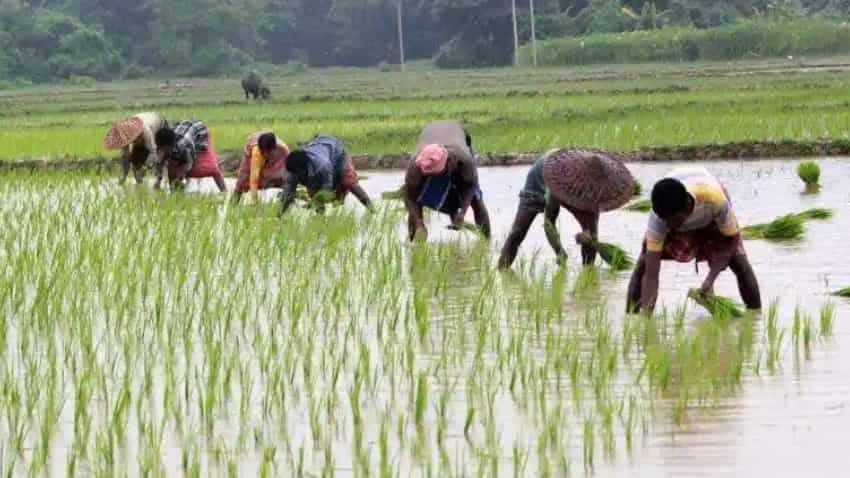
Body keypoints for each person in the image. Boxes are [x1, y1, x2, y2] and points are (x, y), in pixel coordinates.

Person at [626, 167, 761, 314]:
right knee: (644, 263)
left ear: (686, 207)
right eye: (665, 221)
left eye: (673, 220)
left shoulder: (714, 199)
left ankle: (755, 317)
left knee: (739, 261)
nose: (669, 225)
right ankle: (631, 316)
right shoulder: (658, 220)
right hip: (683, 201)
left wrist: (710, 279)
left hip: (710, 214)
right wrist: (646, 322)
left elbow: (731, 240)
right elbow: (651, 275)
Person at [498, 149, 636, 268]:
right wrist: (559, 251)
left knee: (590, 234)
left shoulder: (596, 192)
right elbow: (549, 222)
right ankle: (502, 271)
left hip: (573, 186)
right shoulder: (558, 181)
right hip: (538, 182)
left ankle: (587, 273)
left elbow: (592, 235)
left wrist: (588, 238)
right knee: (517, 233)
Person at [404, 121, 491, 241]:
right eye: (430, 175)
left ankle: (487, 242)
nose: (435, 178)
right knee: (415, 208)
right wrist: (419, 223)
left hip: (454, 133)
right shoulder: (416, 166)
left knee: (476, 200)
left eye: (438, 173)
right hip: (431, 133)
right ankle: (413, 241)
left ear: (449, 162)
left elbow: (470, 186)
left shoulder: (464, 160)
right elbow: (410, 197)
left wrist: (462, 212)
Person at [279, 134, 372, 214]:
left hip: (338, 154)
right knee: (313, 191)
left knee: (349, 182)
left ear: (304, 169)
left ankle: (373, 211)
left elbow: (326, 188)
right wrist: (279, 215)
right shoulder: (292, 171)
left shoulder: (322, 165)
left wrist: (313, 201)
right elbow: (288, 194)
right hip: (320, 151)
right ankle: (321, 222)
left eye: (298, 175)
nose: (295, 177)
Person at [153, 119, 227, 192]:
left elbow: (189, 162)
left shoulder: (183, 146)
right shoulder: (161, 147)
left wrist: (180, 177)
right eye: (160, 148)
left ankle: (225, 192)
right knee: (171, 166)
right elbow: (159, 163)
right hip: (183, 127)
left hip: (199, 130)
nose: (161, 151)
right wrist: (158, 180)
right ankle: (174, 193)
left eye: (163, 149)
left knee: (212, 169)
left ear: (170, 146)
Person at [103, 112, 167, 185]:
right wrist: (122, 177)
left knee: (161, 156)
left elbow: (154, 152)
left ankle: (159, 179)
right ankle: (139, 183)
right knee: (135, 162)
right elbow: (125, 157)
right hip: (144, 123)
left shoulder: (147, 132)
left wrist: (146, 166)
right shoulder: (125, 135)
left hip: (159, 124)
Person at [232, 131, 290, 204]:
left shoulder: (283, 150)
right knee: (242, 180)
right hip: (254, 155)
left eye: (268, 152)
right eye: (263, 152)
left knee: (283, 180)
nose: (265, 155)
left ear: (274, 148)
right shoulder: (257, 152)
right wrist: (255, 202)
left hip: (275, 157)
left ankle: (285, 201)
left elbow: (290, 172)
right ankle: (233, 203)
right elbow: (254, 179)